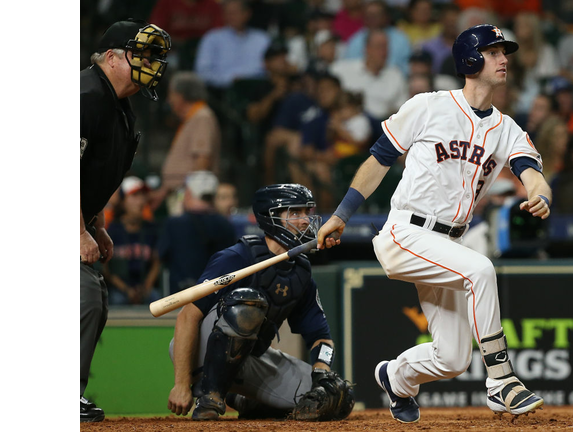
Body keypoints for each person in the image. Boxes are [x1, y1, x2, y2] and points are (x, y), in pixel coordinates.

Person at [316, 24, 549, 423]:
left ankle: (396, 377)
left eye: (503, 52)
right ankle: (500, 380)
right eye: (494, 52)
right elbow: (378, 161)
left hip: (448, 247)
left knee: (453, 358)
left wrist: (539, 194)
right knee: (481, 269)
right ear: (470, 59)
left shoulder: (506, 128)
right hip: (406, 232)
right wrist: (340, 215)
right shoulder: (428, 106)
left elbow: (531, 171)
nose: (503, 59)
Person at [166, 184, 354, 421]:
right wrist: (181, 383)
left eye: (306, 212)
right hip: (202, 352)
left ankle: (245, 401)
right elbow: (187, 316)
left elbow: (321, 337)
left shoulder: (301, 273)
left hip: (250, 360)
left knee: (336, 396)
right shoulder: (236, 257)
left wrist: (321, 374)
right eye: (295, 213)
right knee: (248, 304)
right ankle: (209, 395)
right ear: (272, 216)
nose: (306, 220)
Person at [81, 19, 171, 422]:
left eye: (155, 55)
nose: (152, 62)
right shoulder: (85, 95)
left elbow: (93, 174)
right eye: (143, 53)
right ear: (113, 58)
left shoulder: (119, 107)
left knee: (93, 298)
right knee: (82, 298)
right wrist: (76, 230)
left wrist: (96, 225)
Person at [158, 171, 237, 295]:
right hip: (215, 296)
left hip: (180, 298)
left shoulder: (174, 223)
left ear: (188, 193)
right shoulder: (225, 224)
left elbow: (160, 256)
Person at [155, 72, 221, 216]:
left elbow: (202, 160)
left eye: (171, 94)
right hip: (181, 193)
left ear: (181, 95)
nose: (169, 100)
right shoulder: (193, 117)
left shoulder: (202, 117)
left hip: (189, 197)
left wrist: (191, 196)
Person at [101, 176, 162, 306]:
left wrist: (146, 287)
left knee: (156, 299)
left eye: (143, 196)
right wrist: (127, 290)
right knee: (116, 300)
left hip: (145, 289)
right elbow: (106, 270)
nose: (140, 201)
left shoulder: (152, 229)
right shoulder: (111, 230)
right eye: (134, 196)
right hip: (119, 289)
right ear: (123, 201)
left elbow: (157, 262)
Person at [330, 29, 409, 121]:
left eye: (386, 47)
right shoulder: (341, 70)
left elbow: (402, 110)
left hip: (382, 126)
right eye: (379, 47)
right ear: (367, 48)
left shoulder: (396, 75)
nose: (384, 52)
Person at [194, 0, 272, 88]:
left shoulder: (262, 38)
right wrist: (229, 80)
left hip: (259, 87)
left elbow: (271, 68)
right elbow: (202, 72)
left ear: (247, 14)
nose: (231, 17)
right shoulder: (212, 38)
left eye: (235, 13)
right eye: (228, 13)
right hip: (223, 90)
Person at [342, 0, 412, 76]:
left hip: (394, 79)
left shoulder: (401, 39)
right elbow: (350, 67)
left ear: (386, 16)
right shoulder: (355, 40)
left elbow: (407, 67)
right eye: (369, 15)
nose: (372, 18)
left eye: (376, 15)